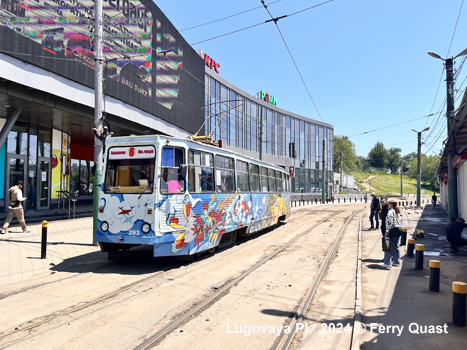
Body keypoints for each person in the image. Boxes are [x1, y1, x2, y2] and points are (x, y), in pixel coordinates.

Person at [382, 200, 402, 268]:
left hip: (392, 230)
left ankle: (387, 263)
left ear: (391, 205)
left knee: (388, 246)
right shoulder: (397, 212)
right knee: (396, 246)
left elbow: (389, 222)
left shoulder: (390, 212)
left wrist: (387, 231)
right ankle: (397, 261)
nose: (387, 204)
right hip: (398, 230)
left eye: (389, 203)